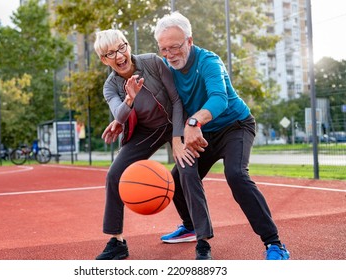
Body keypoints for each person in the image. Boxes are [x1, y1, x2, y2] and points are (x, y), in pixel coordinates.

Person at [152, 11, 290, 260]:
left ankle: (274, 243)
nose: (170, 54)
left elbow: (219, 98)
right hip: (202, 133)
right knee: (176, 180)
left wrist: (194, 121)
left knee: (236, 175)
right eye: (164, 49)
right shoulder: (165, 68)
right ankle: (191, 227)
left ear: (190, 41)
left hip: (234, 126)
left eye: (175, 46)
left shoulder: (209, 62)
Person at [93, 29, 201, 260]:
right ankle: (116, 241)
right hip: (146, 131)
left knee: (186, 169)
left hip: (175, 122)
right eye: (111, 53)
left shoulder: (152, 61)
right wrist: (129, 99)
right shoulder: (110, 87)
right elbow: (119, 116)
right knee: (114, 175)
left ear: (128, 45)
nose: (119, 56)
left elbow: (176, 99)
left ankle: (197, 232)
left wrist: (176, 136)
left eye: (122, 47)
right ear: (104, 59)